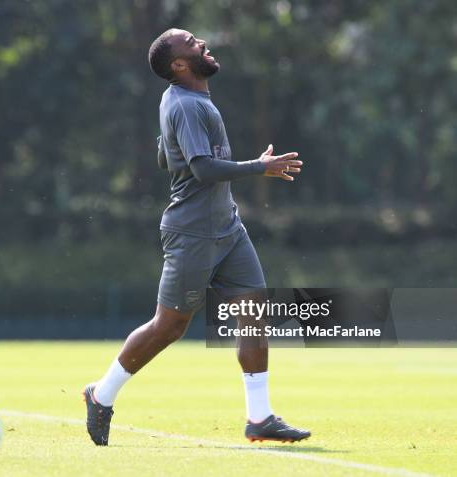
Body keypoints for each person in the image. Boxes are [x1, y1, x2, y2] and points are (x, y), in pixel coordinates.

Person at [84, 28, 310, 446]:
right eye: (191, 42)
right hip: (193, 233)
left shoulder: (186, 98)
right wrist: (260, 167)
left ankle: (259, 418)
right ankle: (101, 394)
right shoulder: (186, 103)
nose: (202, 43)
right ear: (179, 65)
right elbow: (203, 168)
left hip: (227, 228)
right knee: (169, 327)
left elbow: (162, 155)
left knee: (254, 313)